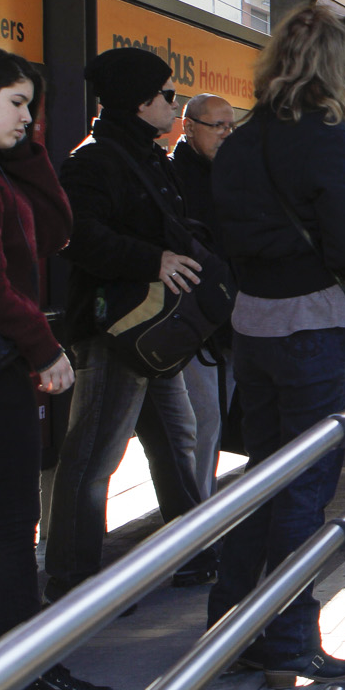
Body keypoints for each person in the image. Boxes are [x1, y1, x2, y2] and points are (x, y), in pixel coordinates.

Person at [208, 4, 345, 689]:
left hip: (252, 327)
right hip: (312, 325)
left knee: (264, 481)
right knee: (305, 492)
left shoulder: (242, 140)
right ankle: (288, 642)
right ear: (338, 66)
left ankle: (232, 627)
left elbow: (228, 237)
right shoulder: (326, 136)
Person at [0, 48, 115, 690]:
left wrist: (23, 149)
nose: (27, 118)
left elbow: (56, 231)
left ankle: (24, 667)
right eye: (15, 103)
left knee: (6, 527)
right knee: (8, 528)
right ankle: (23, 673)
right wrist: (44, 347)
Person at [46, 47, 205, 606]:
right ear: (140, 102)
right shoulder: (94, 158)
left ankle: (192, 551)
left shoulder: (146, 153)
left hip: (152, 329)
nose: (175, 104)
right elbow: (77, 236)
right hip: (117, 330)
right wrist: (153, 260)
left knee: (175, 438)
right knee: (93, 459)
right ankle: (74, 582)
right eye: (168, 95)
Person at [167, 93, 235, 505]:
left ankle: (202, 510)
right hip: (192, 320)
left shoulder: (232, 174)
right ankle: (195, 519)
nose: (227, 135)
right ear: (188, 126)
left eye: (232, 126)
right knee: (201, 418)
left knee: (215, 418)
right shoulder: (175, 175)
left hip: (230, 317)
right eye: (218, 126)